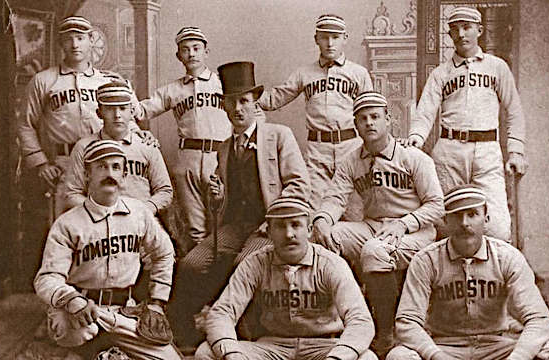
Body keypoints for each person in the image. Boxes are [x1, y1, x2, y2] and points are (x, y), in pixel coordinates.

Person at [172, 61, 309, 349]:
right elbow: (223, 205)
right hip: (235, 227)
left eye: (244, 101)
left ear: (255, 102)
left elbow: (299, 186)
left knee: (243, 265)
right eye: (231, 102)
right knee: (191, 265)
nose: (238, 109)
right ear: (223, 106)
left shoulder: (278, 136)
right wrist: (217, 196)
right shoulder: (224, 148)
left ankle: (246, 334)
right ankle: (186, 333)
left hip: (269, 228)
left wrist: (273, 220)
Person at [312, 91, 444, 357]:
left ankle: (385, 331)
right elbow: (335, 197)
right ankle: (335, 323)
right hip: (374, 226)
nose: (369, 123)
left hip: (414, 231)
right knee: (331, 237)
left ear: (389, 120)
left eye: (375, 117)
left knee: (374, 250)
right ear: (356, 125)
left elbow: (436, 205)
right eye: (362, 119)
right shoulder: (352, 160)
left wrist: (405, 223)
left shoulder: (413, 158)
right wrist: (323, 220)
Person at [387, 184, 549, 360]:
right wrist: (436, 355)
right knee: (399, 356)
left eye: (472, 214)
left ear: (486, 218)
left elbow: (538, 319)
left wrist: (518, 357)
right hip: (446, 345)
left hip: (496, 345)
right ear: (445, 221)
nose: (464, 223)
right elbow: (407, 322)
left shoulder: (507, 257)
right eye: (457, 215)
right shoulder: (427, 260)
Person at [33, 140, 181, 359]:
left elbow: (164, 253)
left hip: (123, 310)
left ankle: (106, 353)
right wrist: (73, 301)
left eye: (116, 167)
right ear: (86, 175)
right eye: (101, 167)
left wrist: (157, 302)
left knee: (170, 358)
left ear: (123, 175)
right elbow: (46, 278)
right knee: (76, 330)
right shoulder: (68, 223)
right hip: (79, 310)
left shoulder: (139, 213)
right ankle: (95, 351)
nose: (109, 173)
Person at [195, 197, 377, 360]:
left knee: (367, 358)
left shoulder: (330, 264)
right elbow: (222, 313)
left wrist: (337, 357)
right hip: (272, 347)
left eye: (295, 225)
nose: (289, 234)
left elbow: (360, 320)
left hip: (323, 347)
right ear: (268, 232)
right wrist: (232, 353)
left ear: (309, 230)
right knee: (206, 353)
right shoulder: (255, 263)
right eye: (281, 226)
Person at [407, 6, 527, 241]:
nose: (461, 34)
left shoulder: (497, 67)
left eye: (467, 28)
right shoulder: (441, 72)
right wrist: (416, 137)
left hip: (486, 150)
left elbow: (514, 110)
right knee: (443, 221)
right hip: (449, 149)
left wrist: (516, 150)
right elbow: (426, 110)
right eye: (455, 29)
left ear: (479, 30)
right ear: (449, 34)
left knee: (498, 228)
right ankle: (448, 276)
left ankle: (492, 275)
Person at [18, 16, 151, 219]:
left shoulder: (107, 80)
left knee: (109, 223)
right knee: (70, 223)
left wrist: (141, 136)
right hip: (65, 161)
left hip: (105, 159)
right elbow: (26, 124)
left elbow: (124, 119)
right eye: (68, 39)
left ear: (91, 40)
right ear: (61, 43)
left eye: (80, 38)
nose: (74, 44)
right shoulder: (44, 80)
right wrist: (41, 163)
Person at [258, 14, 373, 210]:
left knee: (355, 209)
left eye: (335, 37)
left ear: (345, 38)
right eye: (324, 37)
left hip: (351, 146)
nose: (330, 43)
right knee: (314, 208)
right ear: (316, 39)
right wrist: (238, 92)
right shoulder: (305, 73)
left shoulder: (358, 73)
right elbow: (272, 100)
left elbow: (371, 112)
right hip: (317, 150)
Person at [133, 26, 231, 246]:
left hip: (221, 155)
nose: (192, 54)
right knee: (195, 227)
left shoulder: (223, 83)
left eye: (197, 48)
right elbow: (140, 111)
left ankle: (223, 276)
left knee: (223, 222)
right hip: (188, 157)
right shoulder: (172, 90)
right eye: (185, 50)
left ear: (207, 52)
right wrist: (124, 91)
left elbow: (253, 113)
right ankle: (201, 275)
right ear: (179, 56)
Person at [63, 80, 173, 217]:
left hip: (139, 220)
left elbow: (165, 191)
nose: (117, 115)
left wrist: (143, 210)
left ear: (132, 111)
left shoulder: (146, 145)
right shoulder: (83, 147)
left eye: (122, 108)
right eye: (109, 109)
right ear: (99, 113)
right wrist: (100, 212)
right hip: (98, 221)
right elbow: (71, 193)